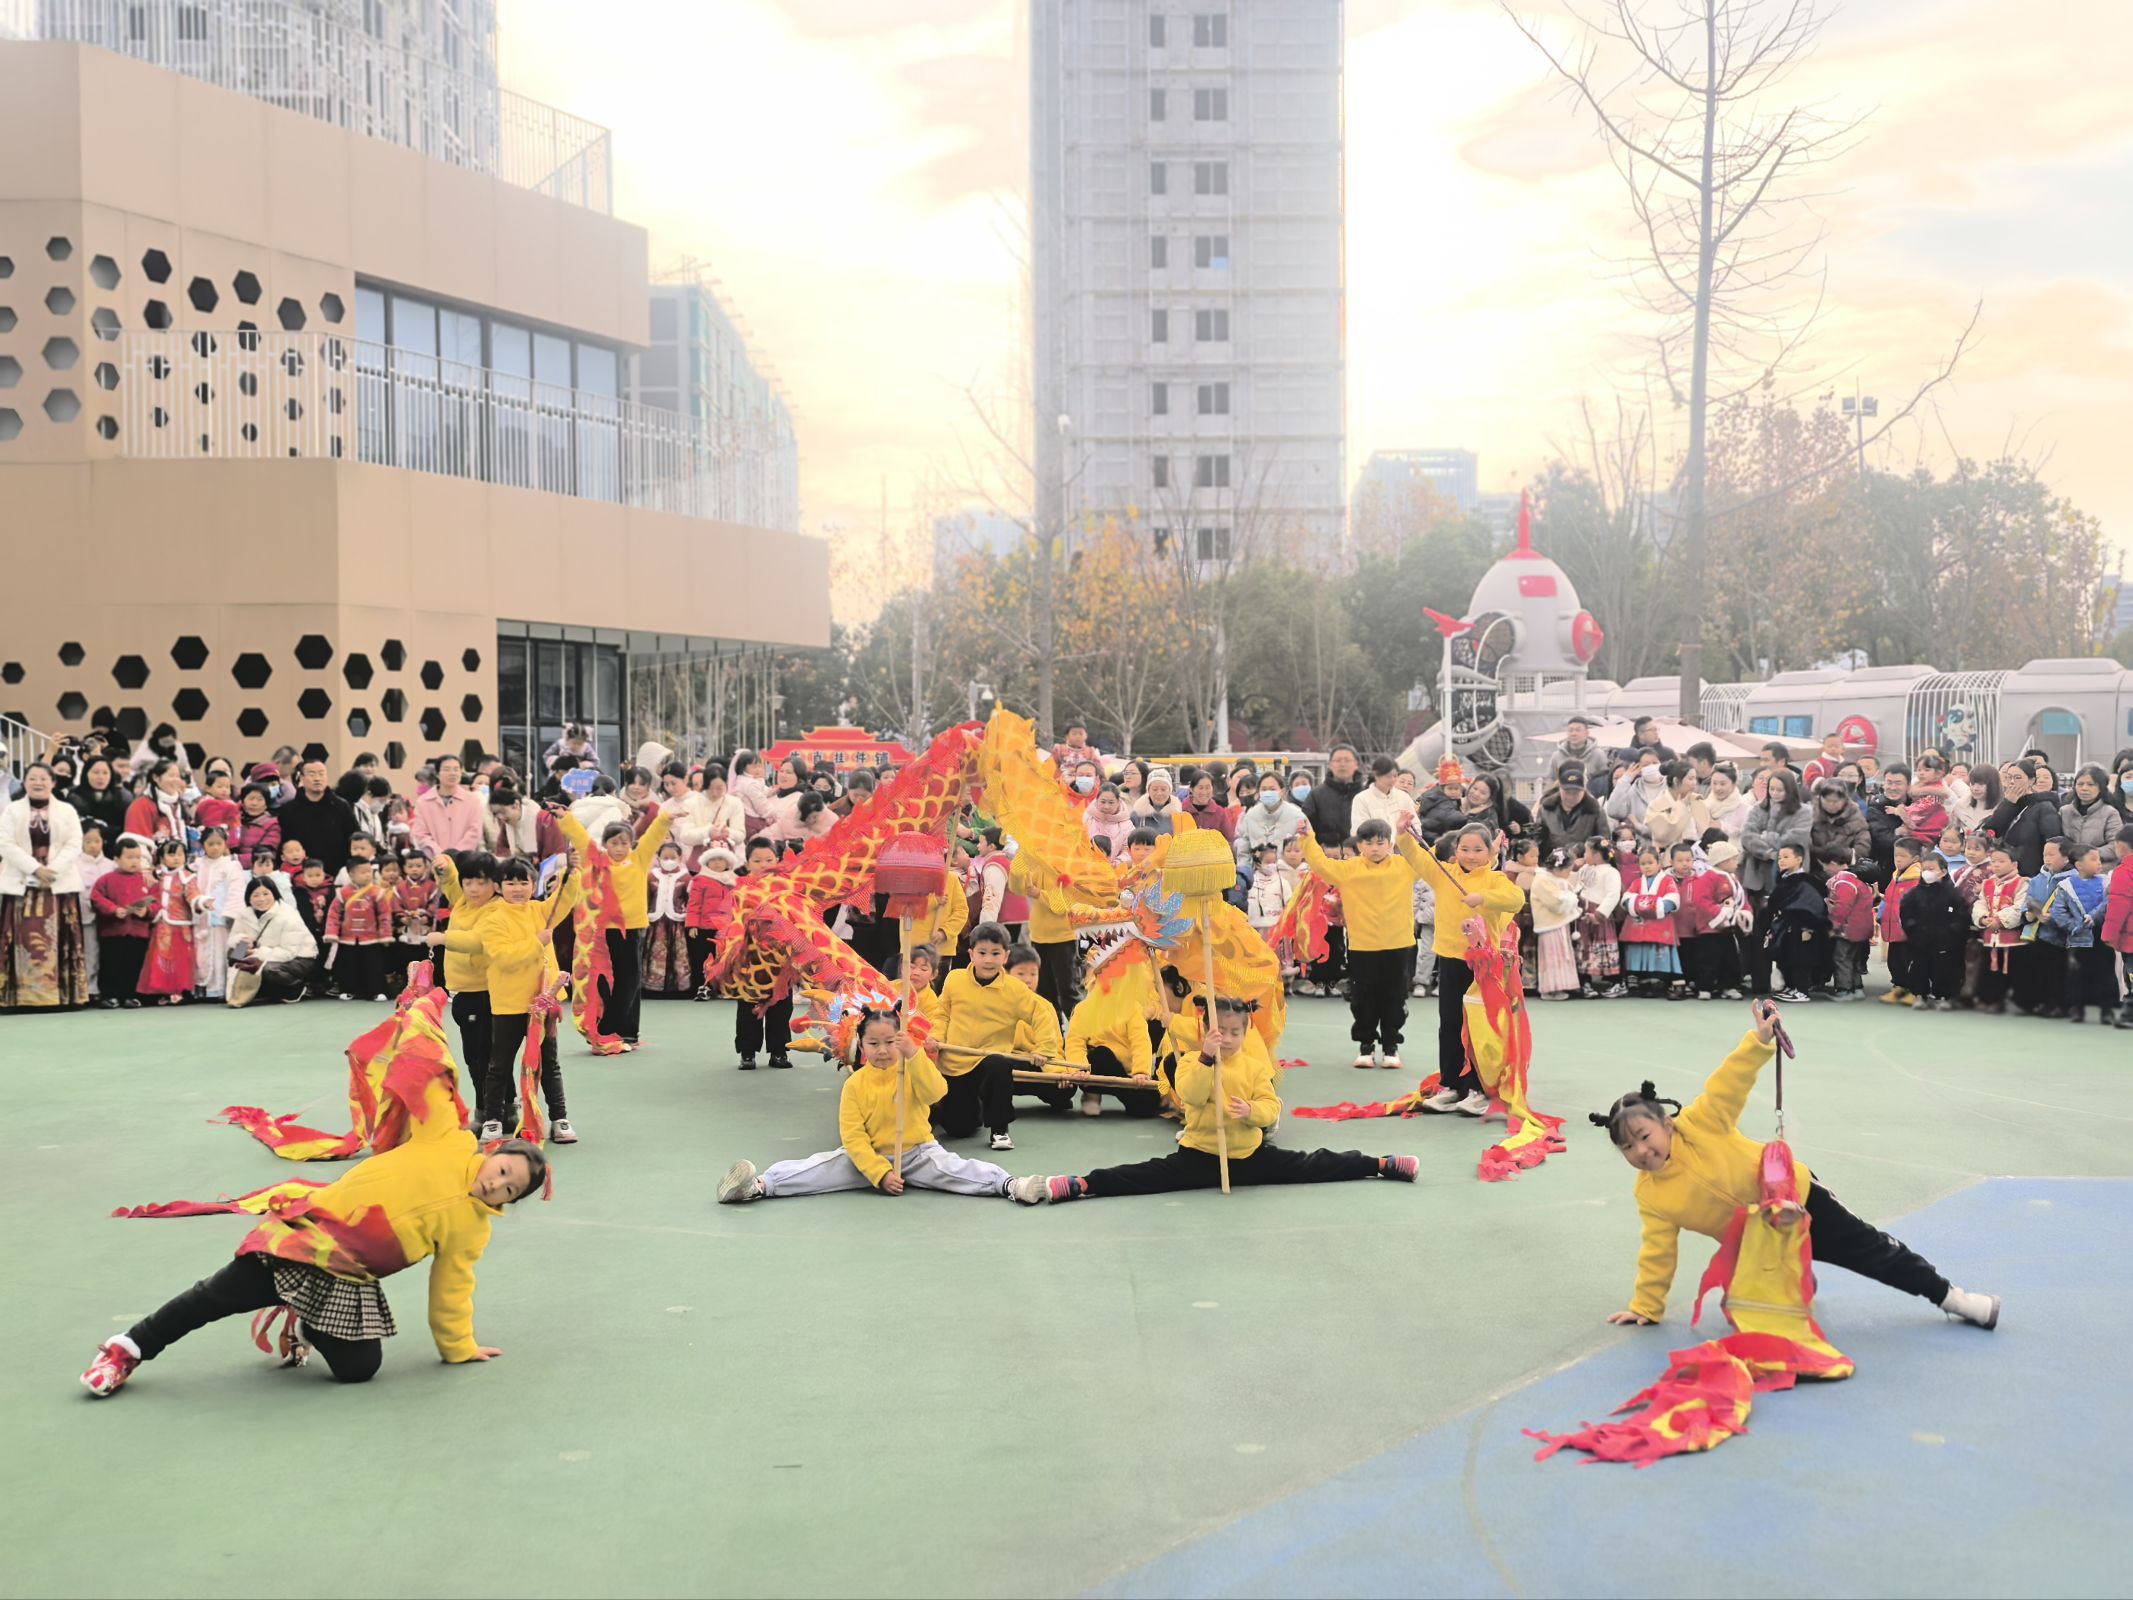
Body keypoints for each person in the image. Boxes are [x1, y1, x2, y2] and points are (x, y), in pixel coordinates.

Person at [83, 1095, 545, 1399]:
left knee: (360, 1369)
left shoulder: (472, 1231)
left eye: (510, 1191)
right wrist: (420, 1007)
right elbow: (429, 1082)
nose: (497, 1185)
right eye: (503, 1171)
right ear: (493, 1153)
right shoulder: (447, 1141)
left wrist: (460, 1346)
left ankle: (310, 1327)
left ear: (511, 1203)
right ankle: (128, 1349)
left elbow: (452, 1290)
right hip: (303, 1239)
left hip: (347, 1277)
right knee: (213, 1297)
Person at [1596, 1000, 1999, 1332]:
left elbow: (1729, 1081)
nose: (1641, 1151)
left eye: (1645, 1136)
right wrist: (1647, 1306)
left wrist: (1759, 1040)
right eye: (1628, 1147)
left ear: (1665, 1124)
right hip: (1761, 1242)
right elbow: (1657, 1251)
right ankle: (1796, 1274)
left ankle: (1954, 1298)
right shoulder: (1651, 1197)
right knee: (1754, 1313)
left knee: (1876, 1254)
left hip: (1800, 1202)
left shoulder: (1701, 1123)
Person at [1007, 995, 1420, 1203]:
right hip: (1201, 1154)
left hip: (1248, 1156)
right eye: (1219, 1031)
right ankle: (1080, 1183)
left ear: (1245, 1033)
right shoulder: (1190, 1060)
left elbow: (1271, 1108)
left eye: (1236, 1032)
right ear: (1207, 1030)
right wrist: (1205, 1057)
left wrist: (1252, 1112)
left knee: (1315, 1164)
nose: (1228, 1039)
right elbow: (1189, 1096)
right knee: (1143, 1176)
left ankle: (1380, 1164)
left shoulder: (1255, 1067)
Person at [720, 1008, 1024, 1205]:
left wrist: (915, 1055)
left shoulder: (910, 1068)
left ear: (900, 1041)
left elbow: (936, 1092)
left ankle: (1009, 1185)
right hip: (866, 1158)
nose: (882, 1050)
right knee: (817, 1168)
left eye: (890, 1042)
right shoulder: (855, 1084)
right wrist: (879, 1173)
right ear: (861, 1047)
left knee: (956, 1170)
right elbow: (852, 1137)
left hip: (917, 1151)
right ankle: (757, 1185)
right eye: (874, 1044)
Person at [436, 857, 579, 1143]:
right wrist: (536, 942)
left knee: (547, 1064)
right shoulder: (493, 919)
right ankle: (493, 1119)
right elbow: (502, 957)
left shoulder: (540, 911)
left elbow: (565, 896)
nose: (517, 889)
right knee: (498, 1065)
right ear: (500, 887)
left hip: (541, 1004)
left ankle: (559, 1119)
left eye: (524, 882)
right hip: (507, 1003)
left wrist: (571, 871)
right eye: (510, 883)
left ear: (533, 885)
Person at [1302, 818, 1425, 1070]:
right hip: (1362, 947)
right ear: (1359, 846)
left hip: (1399, 945)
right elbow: (1320, 864)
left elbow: (1422, 856)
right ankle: (1365, 1046)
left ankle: (1391, 1046)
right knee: (1363, 999)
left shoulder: (1405, 865)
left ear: (1390, 844)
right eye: (1369, 843)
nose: (1375, 848)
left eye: (1381, 842)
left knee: (1395, 997)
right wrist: (1307, 837)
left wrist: (1404, 834)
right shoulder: (1349, 869)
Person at [556, 801, 676, 1050]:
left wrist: (666, 818)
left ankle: (627, 1031)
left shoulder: (639, 859)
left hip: (631, 929)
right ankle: (607, 1028)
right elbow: (579, 837)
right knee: (606, 981)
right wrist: (565, 818)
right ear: (605, 843)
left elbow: (653, 836)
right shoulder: (596, 860)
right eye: (614, 842)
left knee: (630, 980)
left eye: (624, 842)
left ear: (630, 843)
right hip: (601, 933)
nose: (619, 848)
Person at [934, 921, 1049, 1151]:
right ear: (971, 954)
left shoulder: (1016, 990)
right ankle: (974, 1109)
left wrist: (1044, 1048)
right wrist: (936, 1037)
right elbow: (941, 1013)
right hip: (954, 1062)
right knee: (958, 1129)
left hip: (988, 1061)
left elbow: (1041, 1015)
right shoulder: (954, 979)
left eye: (995, 953)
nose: (988, 959)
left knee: (1000, 1065)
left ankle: (1000, 1130)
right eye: (982, 953)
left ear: (1005, 956)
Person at [0, 761, 89, 1011]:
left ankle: (60, 996)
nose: (38, 783)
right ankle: (19, 997)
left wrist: (53, 869)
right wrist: (34, 868)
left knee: (59, 938)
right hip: (22, 883)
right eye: (32, 778)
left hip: (58, 883)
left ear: (53, 782)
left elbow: (74, 843)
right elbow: (5, 843)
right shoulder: (11, 811)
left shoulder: (67, 811)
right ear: (25, 782)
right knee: (20, 939)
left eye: (43, 778)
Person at [432, 850, 499, 1091]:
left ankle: (499, 1109)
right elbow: (449, 879)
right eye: (468, 882)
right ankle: (491, 1108)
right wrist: (445, 864)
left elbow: (477, 940)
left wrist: (443, 937)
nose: (473, 889)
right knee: (473, 1056)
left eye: (481, 883)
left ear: (495, 883)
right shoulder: (463, 901)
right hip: (462, 991)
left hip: (485, 991)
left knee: (487, 1057)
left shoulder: (496, 908)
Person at [733, 839, 794, 1069]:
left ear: (777, 860)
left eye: (769, 860)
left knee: (781, 1006)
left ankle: (780, 1052)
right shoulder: (741, 888)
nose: (763, 864)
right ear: (747, 863)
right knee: (749, 1006)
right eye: (757, 860)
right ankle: (747, 1053)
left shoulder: (786, 888)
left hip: (781, 958)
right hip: (750, 959)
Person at [223, 877, 322, 1007]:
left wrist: (258, 953)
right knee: (233, 955)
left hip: (299, 959)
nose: (261, 899)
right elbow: (232, 939)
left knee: (268, 969)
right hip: (261, 953)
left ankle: (296, 987)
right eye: (256, 895)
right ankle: (242, 992)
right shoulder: (244, 914)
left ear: (274, 894)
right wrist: (240, 940)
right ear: (249, 897)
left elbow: (288, 953)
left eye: (266, 894)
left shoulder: (287, 916)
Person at [2048, 843, 2113, 1025]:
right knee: (2076, 975)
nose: (2098, 863)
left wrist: (2093, 917)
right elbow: (2058, 912)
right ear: (2079, 865)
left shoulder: (2106, 882)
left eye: (2099, 859)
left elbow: (2108, 903)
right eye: (2093, 859)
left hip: (2102, 937)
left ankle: (2106, 1010)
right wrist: (2073, 926)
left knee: (2105, 973)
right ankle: (2076, 1008)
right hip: (2078, 939)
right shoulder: (2065, 886)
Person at [1765, 843, 1830, 1003]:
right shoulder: (1786, 879)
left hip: (1802, 928)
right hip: (1787, 926)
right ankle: (1791, 986)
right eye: (1780, 857)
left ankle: (1802, 990)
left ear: (1799, 860)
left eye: (1786, 857)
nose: (1781, 861)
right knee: (1787, 956)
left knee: (1801, 959)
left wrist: (1809, 927)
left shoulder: (1807, 883)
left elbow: (1812, 906)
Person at [324, 856, 394, 1002]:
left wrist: (385, 934)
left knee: (373, 967)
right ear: (351, 874)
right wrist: (331, 933)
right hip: (348, 938)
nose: (368, 875)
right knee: (349, 967)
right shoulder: (342, 893)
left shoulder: (377, 893)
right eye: (363, 872)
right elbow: (334, 914)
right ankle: (349, 990)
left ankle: (377, 991)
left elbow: (384, 915)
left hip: (371, 938)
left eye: (369, 871)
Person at [1969, 845, 2030, 1015]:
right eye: (1993, 861)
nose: (1996, 865)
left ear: (2014, 864)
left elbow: (2020, 907)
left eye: (2001, 861)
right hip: (1991, 938)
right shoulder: (1988, 883)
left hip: (2014, 939)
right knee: (1991, 970)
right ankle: (1992, 1000)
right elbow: (1980, 904)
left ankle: (2021, 1003)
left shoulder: (2022, 883)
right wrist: (1982, 918)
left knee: (2018, 972)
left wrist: (2000, 920)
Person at [1618, 844, 1684, 998]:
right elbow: (1626, 898)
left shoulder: (1667, 880)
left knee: (1660, 951)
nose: (1646, 867)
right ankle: (1645, 980)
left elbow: (1672, 899)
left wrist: (1643, 904)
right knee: (1642, 949)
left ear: (1658, 863)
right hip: (1642, 923)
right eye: (1643, 864)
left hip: (1660, 923)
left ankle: (1665, 981)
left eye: (1650, 863)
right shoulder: (1637, 882)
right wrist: (1651, 903)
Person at [276, 759, 359, 879]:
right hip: (301, 877)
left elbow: (354, 836)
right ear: (302, 778)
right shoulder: (289, 810)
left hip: (337, 874)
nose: (317, 778)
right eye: (312, 774)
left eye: (321, 774)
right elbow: (283, 844)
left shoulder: (341, 806)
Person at [1982, 759, 2061, 877]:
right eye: (2009, 777)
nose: (2012, 782)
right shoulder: (2009, 804)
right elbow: (1992, 830)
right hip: (2005, 871)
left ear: (2031, 781)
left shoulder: (2044, 807)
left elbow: (2053, 841)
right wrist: (2008, 804)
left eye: (2017, 777)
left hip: (2030, 873)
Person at [1821, 845, 1874, 1002]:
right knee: (1854, 958)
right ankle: (1857, 987)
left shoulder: (1842, 882)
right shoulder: (1856, 879)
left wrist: (1833, 926)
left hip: (1848, 929)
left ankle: (1844, 989)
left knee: (1841, 958)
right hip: (1862, 928)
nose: (1824, 869)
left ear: (1832, 863)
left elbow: (1842, 907)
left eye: (1825, 865)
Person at [642, 839, 694, 998]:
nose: (669, 861)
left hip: (677, 922)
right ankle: (652, 988)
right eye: (665, 857)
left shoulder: (686, 877)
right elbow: (645, 898)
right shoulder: (651, 876)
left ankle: (679, 988)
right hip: (656, 922)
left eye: (673, 857)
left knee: (678, 953)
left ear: (680, 858)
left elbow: (691, 901)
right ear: (658, 858)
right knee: (655, 952)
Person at [1574, 836, 1625, 998]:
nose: (1584, 854)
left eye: (1587, 851)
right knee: (1584, 948)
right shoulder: (1584, 869)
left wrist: (1599, 914)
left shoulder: (1611, 872)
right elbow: (1578, 887)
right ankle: (1585, 982)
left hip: (1599, 916)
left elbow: (1613, 895)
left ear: (1596, 855)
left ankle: (1616, 981)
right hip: (1583, 914)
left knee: (1602, 949)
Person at [1530, 849, 1582, 1001]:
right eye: (1567, 870)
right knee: (1553, 956)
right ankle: (1550, 988)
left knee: (1559, 955)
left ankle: (1560, 985)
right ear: (1558, 869)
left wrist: (1569, 895)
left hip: (1557, 923)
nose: (1569, 874)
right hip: (1549, 924)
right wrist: (1571, 897)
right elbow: (1556, 902)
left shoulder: (1550, 878)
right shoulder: (1542, 880)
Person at [1233, 771, 1308, 866]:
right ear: (1258, 792)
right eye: (1264, 789)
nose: (1268, 793)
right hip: (1257, 875)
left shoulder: (1297, 815)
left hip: (1289, 873)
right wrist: (1246, 873)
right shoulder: (1250, 816)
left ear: (1282, 791)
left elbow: (1307, 846)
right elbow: (1243, 850)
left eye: (1272, 789)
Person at [1534, 764, 1606, 856]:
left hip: (1585, 864)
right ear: (1560, 789)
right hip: (1551, 863)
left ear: (1583, 790)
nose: (1571, 796)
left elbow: (1603, 841)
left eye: (1576, 793)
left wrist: (1584, 854)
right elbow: (1538, 840)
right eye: (1567, 792)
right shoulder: (1545, 809)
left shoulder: (1595, 810)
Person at [1302, 745, 1366, 849]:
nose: (1342, 764)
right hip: (1326, 858)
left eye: (1347, 760)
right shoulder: (1316, 795)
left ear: (1356, 764)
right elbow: (1305, 830)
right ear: (1330, 765)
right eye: (1338, 760)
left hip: (1361, 859)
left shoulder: (1366, 794)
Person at [2102, 826, 2133, 1030]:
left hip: (2131, 936)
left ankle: (2130, 1013)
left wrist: (2108, 934)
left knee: (2130, 971)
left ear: (2121, 846)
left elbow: (2119, 905)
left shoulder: (2123, 872)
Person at [2060, 766, 2118, 862]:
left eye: (2091, 784)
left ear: (2101, 788)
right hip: (2069, 867)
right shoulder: (2064, 811)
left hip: (2099, 867)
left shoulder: (2110, 813)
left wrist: (2086, 854)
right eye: (2080, 784)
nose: (2084, 788)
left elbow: (2115, 846)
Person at [1349, 756, 1414, 839]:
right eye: (1388, 776)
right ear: (1376, 776)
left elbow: (1416, 826)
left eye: (1395, 776)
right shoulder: (1361, 799)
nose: (1392, 780)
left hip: (1405, 850)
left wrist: (1404, 842)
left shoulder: (1404, 797)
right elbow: (1359, 832)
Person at [1809, 779, 1871, 867]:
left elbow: (1863, 847)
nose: (1831, 804)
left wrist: (1844, 855)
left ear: (1845, 800)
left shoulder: (1856, 818)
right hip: (1815, 868)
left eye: (1835, 801)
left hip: (1846, 867)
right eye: (1827, 800)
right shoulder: (1810, 815)